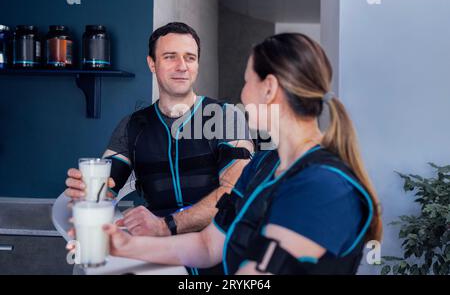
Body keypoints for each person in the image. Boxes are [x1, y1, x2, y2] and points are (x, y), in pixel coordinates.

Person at [92, 32, 383, 275]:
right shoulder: (261, 166)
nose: (242, 94)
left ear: (268, 88)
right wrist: (119, 244)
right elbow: (207, 246)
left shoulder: (323, 185)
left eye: (246, 81)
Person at [64, 22, 254, 275]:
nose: (182, 66)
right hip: (158, 257)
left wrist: (166, 225)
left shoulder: (225, 116)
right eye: (170, 57)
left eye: (190, 58)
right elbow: (105, 186)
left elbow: (234, 194)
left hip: (218, 253)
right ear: (152, 64)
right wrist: (88, 192)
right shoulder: (132, 125)